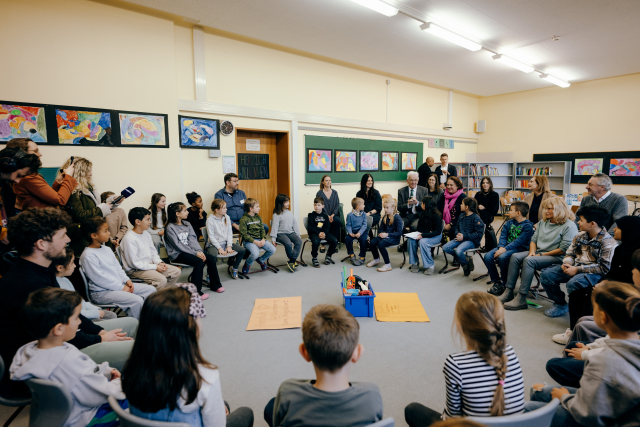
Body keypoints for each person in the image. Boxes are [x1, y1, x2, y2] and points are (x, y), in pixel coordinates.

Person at [0, 208, 137, 398]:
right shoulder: (27, 284)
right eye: (62, 235)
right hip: (48, 361)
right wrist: (101, 338)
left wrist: (99, 331)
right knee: (140, 348)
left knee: (132, 324)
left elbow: (69, 312)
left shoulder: (41, 270)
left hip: (62, 342)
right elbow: (58, 335)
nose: (68, 240)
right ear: (41, 244)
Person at [122, 285, 254, 427]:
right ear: (190, 329)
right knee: (245, 413)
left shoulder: (131, 368)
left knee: (222, 404)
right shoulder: (205, 377)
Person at [526, 281, 640, 427]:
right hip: (615, 410)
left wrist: (564, 398)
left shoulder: (604, 361)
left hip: (602, 420)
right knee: (539, 390)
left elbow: (588, 415)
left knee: (526, 409)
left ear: (603, 317)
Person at [10, 288, 128, 427]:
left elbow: (82, 377)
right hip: (88, 417)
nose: (79, 322)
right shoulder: (67, 361)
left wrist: (105, 371)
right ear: (59, 329)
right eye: (76, 317)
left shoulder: (27, 351)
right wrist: (118, 383)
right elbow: (98, 395)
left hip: (64, 414)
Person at [404, 292, 525, 427]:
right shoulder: (510, 352)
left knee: (412, 410)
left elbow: (452, 419)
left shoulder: (455, 364)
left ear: (460, 326)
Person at [263, 304, 383, 427]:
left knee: (271, 408)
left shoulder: (288, 392)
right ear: (357, 353)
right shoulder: (371, 395)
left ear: (304, 352)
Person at [546, 258, 640, 387]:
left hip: (594, 386)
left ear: (603, 317)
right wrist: (590, 348)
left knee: (553, 366)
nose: (632, 270)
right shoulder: (626, 331)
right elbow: (613, 340)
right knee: (573, 345)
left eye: (635, 268)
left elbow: (616, 349)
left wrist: (586, 354)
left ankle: (576, 381)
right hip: (611, 350)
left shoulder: (615, 362)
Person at [500, 197, 578, 310]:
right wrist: (532, 252)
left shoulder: (569, 226)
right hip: (539, 253)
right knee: (515, 256)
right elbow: (533, 240)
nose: (546, 211)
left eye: (549, 208)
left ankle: (521, 298)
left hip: (557, 256)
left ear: (560, 209)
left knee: (529, 260)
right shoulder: (543, 222)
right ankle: (509, 291)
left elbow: (563, 249)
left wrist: (540, 255)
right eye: (545, 208)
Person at [539, 205, 617, 318]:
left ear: (592, 223)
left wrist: (576, 270)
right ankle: (560, 304)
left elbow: (603, 268)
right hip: (574, 267)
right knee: (546, 275)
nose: (578, 222)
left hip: (594, 273)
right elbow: (570, 253)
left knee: (574, 283)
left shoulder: (608, 242)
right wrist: (567, 263)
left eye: (581, 220)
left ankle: (578, 314)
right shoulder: (580, 236)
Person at [80, 217, 157, 319]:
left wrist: (127, 280)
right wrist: (121, 288)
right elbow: (100, 278)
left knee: (150, 290)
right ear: (94, 235)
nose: (109, 233)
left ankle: (149, 319)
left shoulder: (107, 249)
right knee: (136, 300)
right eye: (105, 231)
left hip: (117, 286)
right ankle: (138, 328)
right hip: (101, 293)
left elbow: (118, 268)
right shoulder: (88, 255)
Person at [61, 157, 115, 256]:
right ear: (79, 172)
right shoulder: (73, 192)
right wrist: (102, 208)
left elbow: (94, 207)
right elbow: (80, 215)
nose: (91, 174)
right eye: (88, 171)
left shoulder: (88, 189)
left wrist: (110, 204)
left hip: (95, 236)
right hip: (84, 239)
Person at [165, 202, 219, 297]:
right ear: (177, 214)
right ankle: (195, 292)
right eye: (185, 211)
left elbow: (192, 240)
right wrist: (195, 253)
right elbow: (178, 246)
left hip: (190, 251)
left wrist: (199, 251)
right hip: (177, 254)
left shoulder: (187, 224)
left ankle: (215, 285)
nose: (187, 212)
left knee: (210, 258)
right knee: (199, 262)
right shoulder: (170, 227)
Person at [9, 138, 78, 211]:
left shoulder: (28, 176)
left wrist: (57, 183)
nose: (40, 154)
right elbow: (60, 200)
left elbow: (47, 198)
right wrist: (69, 176)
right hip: (40, 219)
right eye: (35, 151)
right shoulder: (27, 178)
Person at [120, 207, 181, 290]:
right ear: (137, 222)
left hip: (149, 265)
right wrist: (155, 267)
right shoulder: (129, 238)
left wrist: (159, 262)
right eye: (148, 219)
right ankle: (151, 298)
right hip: (135, 270)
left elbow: (153, 252)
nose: (150, 222)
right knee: (161, 280)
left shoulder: (146, 234)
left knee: (176, 271)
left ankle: (161, 295)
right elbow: (134, 264)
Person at [51, 250, 118, 322]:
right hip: (79, 319)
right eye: (72, 263)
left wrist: (95, 309)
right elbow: (71, 312)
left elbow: (80, 301)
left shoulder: (65, 280)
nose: (75, 266)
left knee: (111, 315)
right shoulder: (57, 285)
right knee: (111, 318)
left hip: (84, 312)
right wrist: (94, 313)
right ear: (60, 268)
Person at [485, 202, 534, 296]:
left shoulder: (528, 226)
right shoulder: (508, 223)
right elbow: (503, 236)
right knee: (487, 256)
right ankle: (497, 282)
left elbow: (519, 242)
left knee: (502, 257)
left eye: (511, 210)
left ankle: (505, 282)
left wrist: (504, 250)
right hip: (505, 247)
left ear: (518, 212)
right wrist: (501, 247)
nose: (508, 212)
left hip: (520, 248)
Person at [0, 147, 41, 239]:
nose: (17, 181)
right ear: (7, 166)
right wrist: (1, 234)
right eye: (18, 175)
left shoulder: (6, 188)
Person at [442, 197, 484, 276]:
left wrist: (464, 237)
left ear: (467, 207)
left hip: (472, 241)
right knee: (445, 247)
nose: (460, 205)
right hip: (461, 238)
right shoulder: (461, 216)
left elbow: (478, 234)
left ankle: (464, 265)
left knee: (458, 251)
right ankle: (466, 259)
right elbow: (457, 227)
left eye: (462, 204)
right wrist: (458, 234)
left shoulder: (476, 218)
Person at [207, 199, 245, 279]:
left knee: (242, 250)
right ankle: (209, 273)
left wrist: (229, 246)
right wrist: (219, 248)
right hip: (213, 244)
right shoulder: (210, 220)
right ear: (217, 210)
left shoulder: (227, 217)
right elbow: (211, 237)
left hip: (225, 243)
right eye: (224, 208)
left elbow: (229, 233)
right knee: (212, 255)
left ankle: (234, 268)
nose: (226, 209)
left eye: (226, 207)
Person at [407, 196, 443, 275]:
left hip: (436, 236)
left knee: (423, 242)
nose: (421, 204)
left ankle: (430, 265)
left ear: (426, 205)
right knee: (410, 240)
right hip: (426, 234)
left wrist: (424, 234)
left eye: (422, 203)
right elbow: (419, 227)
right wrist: (426, 232)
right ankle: (414, 262)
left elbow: (437, 231)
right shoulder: (423, 213)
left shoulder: (436, 215)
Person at [238, 198, 276, 274]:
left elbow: (262, 230)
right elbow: (244, 235)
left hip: (260, 239)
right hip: (249, 241)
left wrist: (263, 239)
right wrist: (255, 242)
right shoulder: (243, 219)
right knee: (255, 254)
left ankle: (261, 260)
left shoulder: (258, 217)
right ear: (251, 209)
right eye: (257, 206)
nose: (259, 208)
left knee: (273, 249)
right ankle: (247, 264)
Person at [368, 197, 403, 272]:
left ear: (393, 208)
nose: (385, 209)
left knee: (381, 244)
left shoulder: (397, 217)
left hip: (394, 239)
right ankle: (376, 259)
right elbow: (381, 229)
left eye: (387, 207)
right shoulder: (385, 216)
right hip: (385, 237)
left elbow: (399, 232)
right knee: (372, 242)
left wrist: (387, 234)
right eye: (384, 207)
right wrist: (381, 233)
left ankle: (388, 265)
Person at [271, 194, 302, 272]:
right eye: (286, 202)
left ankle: (292, 260)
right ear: (280, 203)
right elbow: (274, 227)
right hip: (280, 234)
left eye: (288, 201)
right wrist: (273, 239)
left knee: (299, 241)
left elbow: (294, 224)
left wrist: (297, 234)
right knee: (288, 243)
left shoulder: (290, 213)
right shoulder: (276, 214)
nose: (289, 203)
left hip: (290, 232)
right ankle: (292, 260)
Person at [307, 197, 338, 267]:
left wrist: (324, 233)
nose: (316, 207)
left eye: (318, 205)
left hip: (324, 233)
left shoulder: (325, 216)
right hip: (314, 233)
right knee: (315, 242)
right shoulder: (311, 215)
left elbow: (327, 227)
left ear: (323, 206)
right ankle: (314, 258)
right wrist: (319, 233)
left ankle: (329, 255)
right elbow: (311, 227)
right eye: (315, 205)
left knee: (335, 240)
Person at [437, 176, 466, 241]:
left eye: (451, 185)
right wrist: (443, 223)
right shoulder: (444, 195)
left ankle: (451, 248)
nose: (449, 187)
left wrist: (450, 224)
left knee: (453, 230)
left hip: (458, 222)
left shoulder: (462, 197)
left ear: (457, 186)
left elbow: (463, 214)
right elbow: (438, 210)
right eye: (447, 185)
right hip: (444, 222)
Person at [316, 174, 342, 245]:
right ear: (323, 182)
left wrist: (332, 215)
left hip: (334, 214)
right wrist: (327, 216)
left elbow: (337, 205)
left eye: (329, 180)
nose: (328, 182)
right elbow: (319, 206)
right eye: (326, 180)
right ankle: (323, 244)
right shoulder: (319, 193)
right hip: (324, 215)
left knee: (337, 221)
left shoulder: (335, 192)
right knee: (321, 222)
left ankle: (334, 242)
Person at [345, 197, 368, 266]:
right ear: (358, 206)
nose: (364, 205)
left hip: (362, 231)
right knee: (347, 239)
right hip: (353, 231)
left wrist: (359, 233)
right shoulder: (350, 215)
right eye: (363, 204)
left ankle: (362, 256)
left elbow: (364, 225)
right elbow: (348, 225)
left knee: (363, 240)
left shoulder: (363, 214)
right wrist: (350, 233)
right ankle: (351, 254)